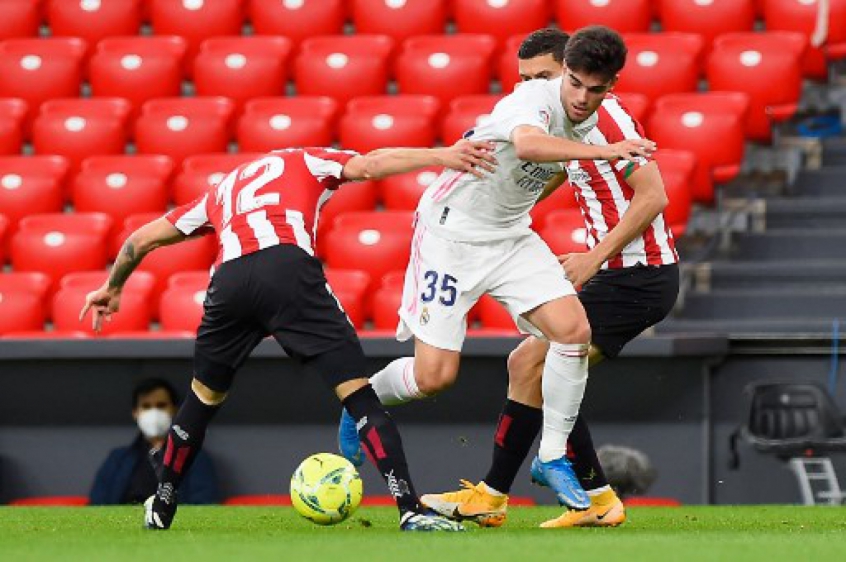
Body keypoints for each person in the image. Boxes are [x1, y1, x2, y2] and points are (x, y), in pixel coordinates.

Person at [79, 141, 499, 532]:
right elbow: (371, 165)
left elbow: (141, 239)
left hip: (229, 282)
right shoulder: (305, 159)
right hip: (286, 267)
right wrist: (442, 155)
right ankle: (409, 509)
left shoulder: (222, 191)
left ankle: (162, 505)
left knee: (201, 400)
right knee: (358, 395)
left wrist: (112, 287)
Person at [337, 26, 657, 514]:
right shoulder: (531, 100)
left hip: (508, 235)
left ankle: (551, 456)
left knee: (572, 331)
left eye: (593, 89)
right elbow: (528, 147)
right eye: (573, 83)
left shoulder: (590, 118)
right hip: (450, 235)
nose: (580, 97)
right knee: (433, 377)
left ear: (609, 86)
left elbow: (551, 171)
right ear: (563, 73)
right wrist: (606, 152)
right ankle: (363, 397)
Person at [420, 27, 679, 529]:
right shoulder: (561, 119)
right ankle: (582, 498)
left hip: (639, 274)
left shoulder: (606, 117)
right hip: (623, 273)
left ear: (569, 70)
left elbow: (653, 195)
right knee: (535, 367)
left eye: (540, 76)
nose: (530, 88)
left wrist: (593, 258)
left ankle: (509, 496)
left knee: (538, 365)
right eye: (524, 79)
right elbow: (561, 166)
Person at [90, 378, 218, 505]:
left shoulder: (195, 458)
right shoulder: (118, 459)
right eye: (146, 406)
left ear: (174, 410)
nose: (154, 412)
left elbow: (204, 503)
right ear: (135, 412)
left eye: (161, 405)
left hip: (172, 517)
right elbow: (97, 504)